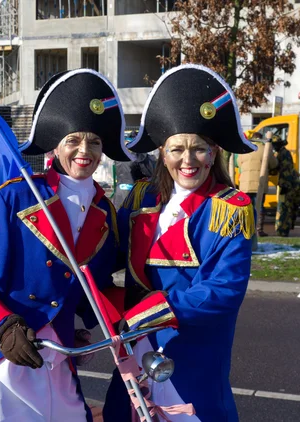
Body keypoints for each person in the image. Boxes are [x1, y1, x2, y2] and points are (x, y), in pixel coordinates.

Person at [0, 69, 132, 421]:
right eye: (74, 140)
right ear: (56, 143)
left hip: (57, 363)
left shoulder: (105, 212)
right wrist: (5, 329)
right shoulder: (15, 197)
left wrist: (133, 315)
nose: (85, 151)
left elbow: (90, 293)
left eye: (95, 143)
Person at [104, 64, 256, 422]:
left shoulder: (229, 209)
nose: (187, 161)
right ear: (161, 152)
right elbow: (106, 256)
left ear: (214, 151)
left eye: (198, 149)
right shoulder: (143, 199)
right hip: (134, 354)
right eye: (176, 150)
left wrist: (152, 311)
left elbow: (224, 290)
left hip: (191, 358)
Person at [236, 131, 278, 240]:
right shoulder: (266, 149)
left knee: (246, 207)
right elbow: (274, 164)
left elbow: (239, 163)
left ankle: (246, 229)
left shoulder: (245, 149)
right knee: (259, 207)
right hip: (260, 183)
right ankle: (258, 229)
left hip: (245, 184)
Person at [272, 136, 300, 236]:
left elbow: (282, 170)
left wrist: (284, 185)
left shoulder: (281, 154)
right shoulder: (284, 152)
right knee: (289, 208)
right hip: (293, 183)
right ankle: (285, 230)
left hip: (287, 184)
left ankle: (282, 231)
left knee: (284, 208)